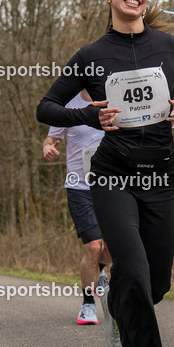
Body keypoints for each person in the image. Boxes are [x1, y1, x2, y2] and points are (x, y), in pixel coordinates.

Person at [37, 0, 174, 347]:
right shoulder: (90, 55)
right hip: (111, 174)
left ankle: (115, 303)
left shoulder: (171, 47)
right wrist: (88, 115)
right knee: (130, 267)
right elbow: (47, 107)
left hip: (160, 173)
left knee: (155, 284)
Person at [42, 90, 112, 326]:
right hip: (79, 186)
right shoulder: (67, 104)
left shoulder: (116, 97)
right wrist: (47, 147)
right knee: (93, 247)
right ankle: (88, 305)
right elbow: (51, 138)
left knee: (112, 248)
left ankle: (102, 271)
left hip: (112, 185)